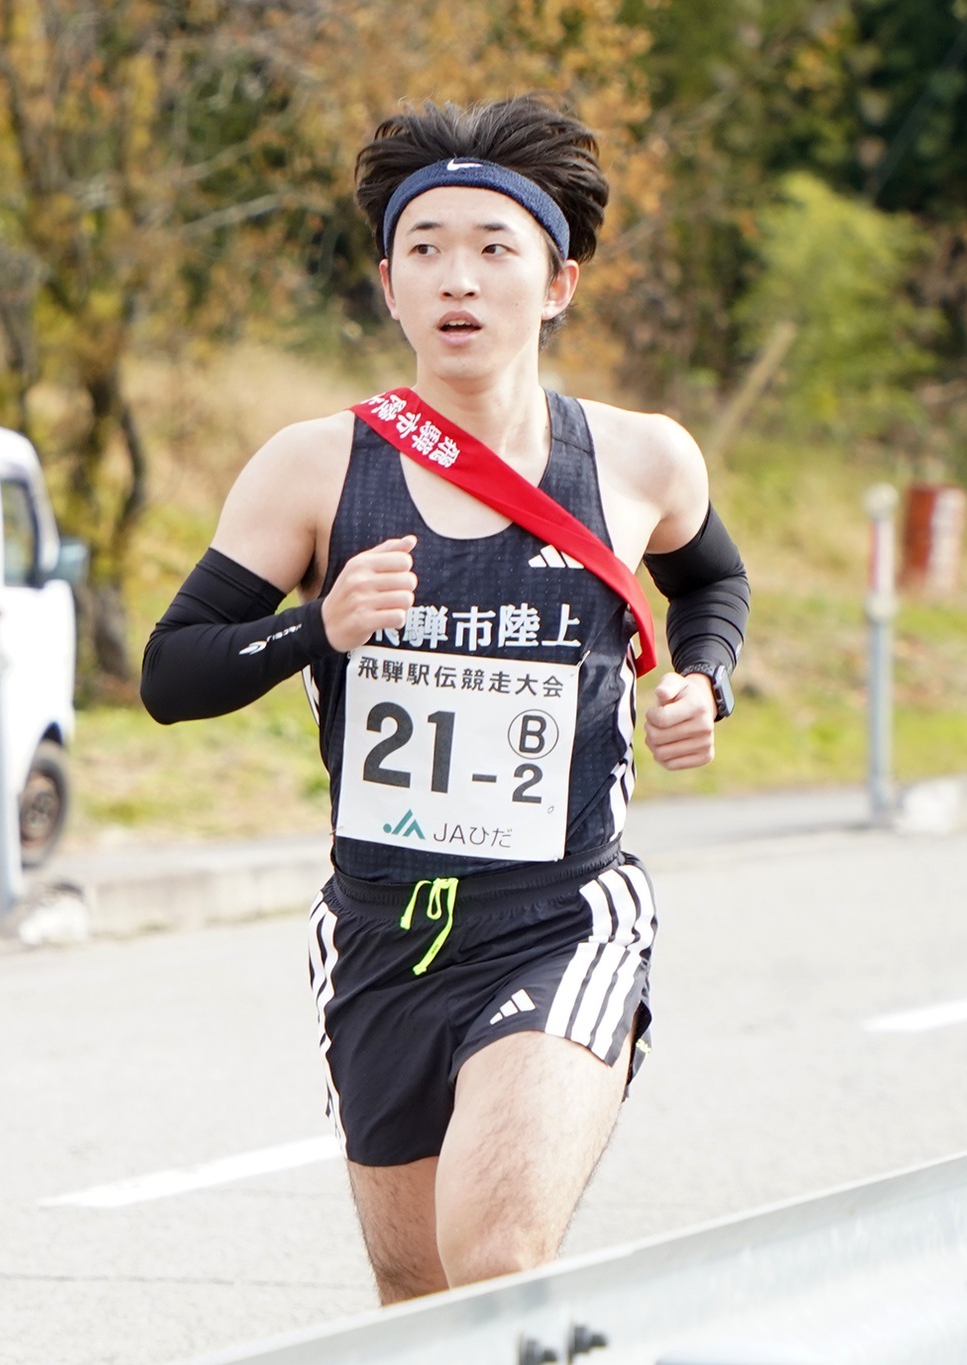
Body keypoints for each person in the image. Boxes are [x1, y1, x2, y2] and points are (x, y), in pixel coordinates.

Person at [139, 95, 749, 1304]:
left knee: (498, 1257)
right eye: (424, 250)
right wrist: (317, 625)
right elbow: (170, 673)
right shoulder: (316, 467)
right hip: (378, 929)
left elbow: (710, 577)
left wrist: (704, 683)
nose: (455, 280)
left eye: (491, 248)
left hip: (556, 913)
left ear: (556, 283)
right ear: (386, 285)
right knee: (418, 1303)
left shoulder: (636, 460)